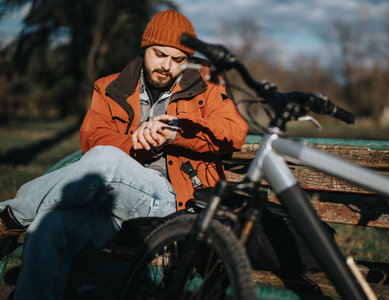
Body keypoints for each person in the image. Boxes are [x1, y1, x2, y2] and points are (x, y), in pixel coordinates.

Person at [0, 9, 248, 299]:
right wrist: (136, 144)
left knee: (106, 161)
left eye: (178, 59)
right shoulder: (110, 87)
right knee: (46, 227)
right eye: (159, 54)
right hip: (114, 208)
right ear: (144, 49)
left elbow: (234, 131)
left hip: (177, 205)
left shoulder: (205, 87)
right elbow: (93, 140)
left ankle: (9, 218)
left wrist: (175, 132)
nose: (167, 66)